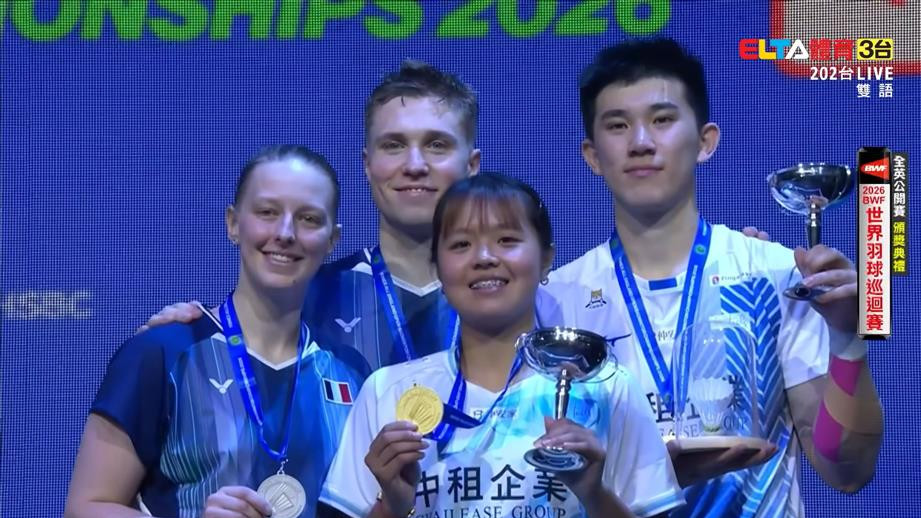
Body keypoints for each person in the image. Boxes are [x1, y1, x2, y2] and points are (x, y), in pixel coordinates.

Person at [537, 38, 883, 517]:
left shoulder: (773, 273)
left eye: (662, 120)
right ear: (592, 155)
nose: (641, 142)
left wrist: (847, 339)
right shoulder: (556, 301)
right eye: (617, 125)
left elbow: (846, 471)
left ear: (705, 141)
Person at [320, 172, 684, 518]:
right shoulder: (387, 393)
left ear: (546, 259)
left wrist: (594, 494)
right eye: (461, 244)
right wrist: (391, 507)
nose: (484, 258)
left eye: (507, 240)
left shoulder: (607, 389)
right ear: (438, 269)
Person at [65, 145, 370, 518]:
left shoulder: (353, 373)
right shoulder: (161, 354)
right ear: (233, 223)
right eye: (267, 212)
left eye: (308, 219)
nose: (285, 233)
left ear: (332, 240)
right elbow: (85, 508)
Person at [139, 61, 480, 371]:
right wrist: (174, 343)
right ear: (367, 164)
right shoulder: (299, 296)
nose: (415, 165)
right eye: (394, 145)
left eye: (437, 145)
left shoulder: (508, 295)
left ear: (472, 165)